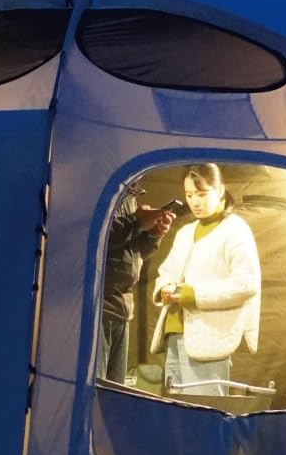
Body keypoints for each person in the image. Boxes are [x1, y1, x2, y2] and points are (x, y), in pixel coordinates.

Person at [150, 163, 262, 395]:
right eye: (189, 194)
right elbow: (167, 271)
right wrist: (165, 288)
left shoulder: (235, 229)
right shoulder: (185, 232)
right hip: (174, 335)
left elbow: (246, 284)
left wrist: (193, 295)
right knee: (176, 412)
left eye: (201, 194)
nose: (194, 202)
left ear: (220, 191)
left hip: (209, 339)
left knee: (205, 410)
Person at [99, 195, 177, 383]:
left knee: (114, 389)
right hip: (99, 308)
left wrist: (152, 234)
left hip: (122, 309)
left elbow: (131, 252)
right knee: (96, 387)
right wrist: (136, 221)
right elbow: (95, 239)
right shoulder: (101, 192)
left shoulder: (130, 196)